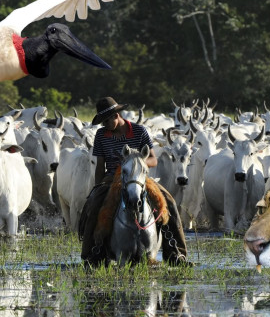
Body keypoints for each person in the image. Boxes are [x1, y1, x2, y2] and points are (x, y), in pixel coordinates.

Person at [78, 96, 190, 266]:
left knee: (169, 202)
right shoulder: (101, 135)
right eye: (102, 122)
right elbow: (100, 165)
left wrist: (137, 163)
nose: (104, 125)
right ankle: (91, 253)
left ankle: (176, 253)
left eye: (106, 121)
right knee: (94, 205)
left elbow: (153, 159)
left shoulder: (139, 131)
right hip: (112, 179)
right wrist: (98, 187)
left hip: (139, 178)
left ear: (116, 116)